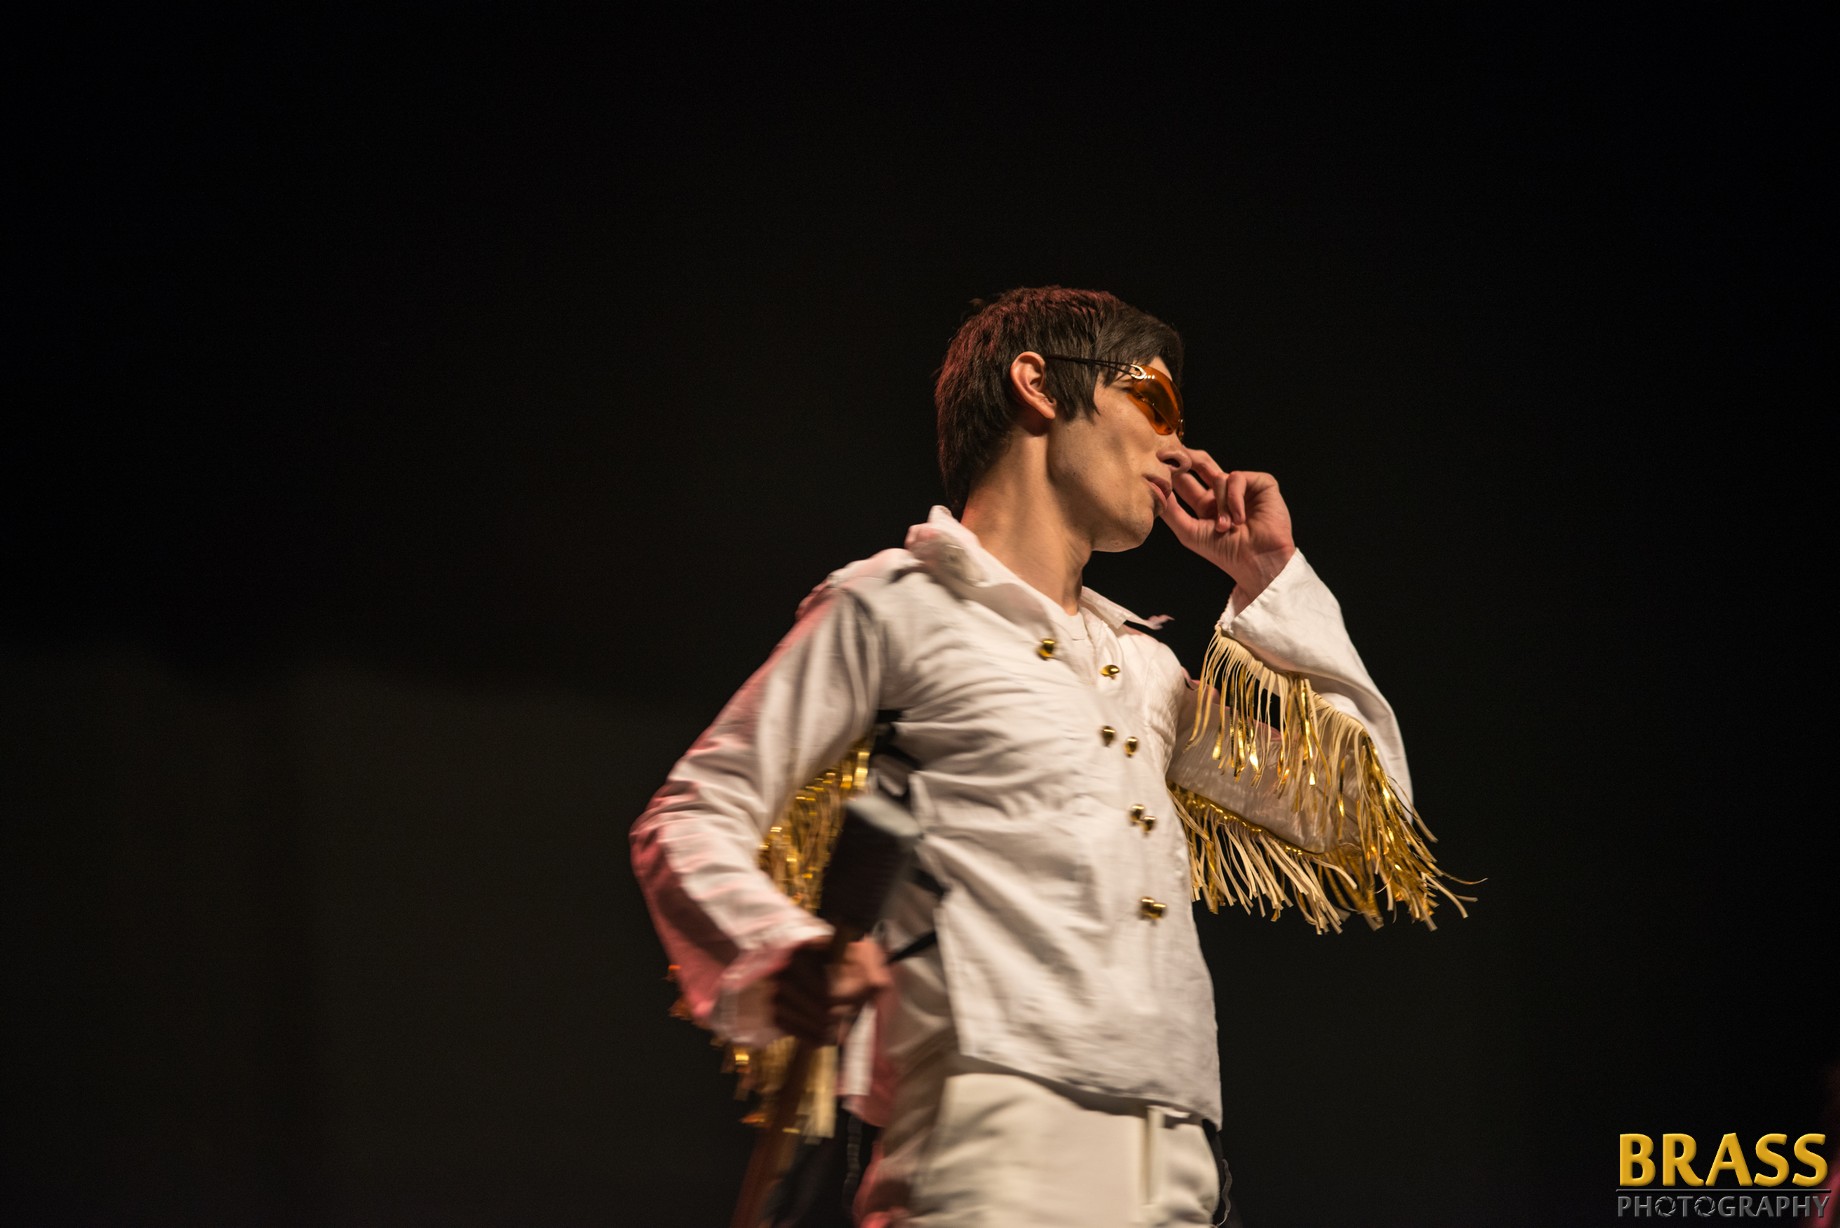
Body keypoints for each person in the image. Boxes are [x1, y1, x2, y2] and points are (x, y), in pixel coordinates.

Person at [630, 286, 1461, 1227]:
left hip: (1176, 1160)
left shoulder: (1143, 668)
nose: (1177, 447)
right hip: (992, 1143)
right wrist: (782, 950)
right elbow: (690, 814)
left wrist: (1271, 580)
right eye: (1154, 401)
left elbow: (1361, 812)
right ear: (1038, 384)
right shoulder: (896, 604)